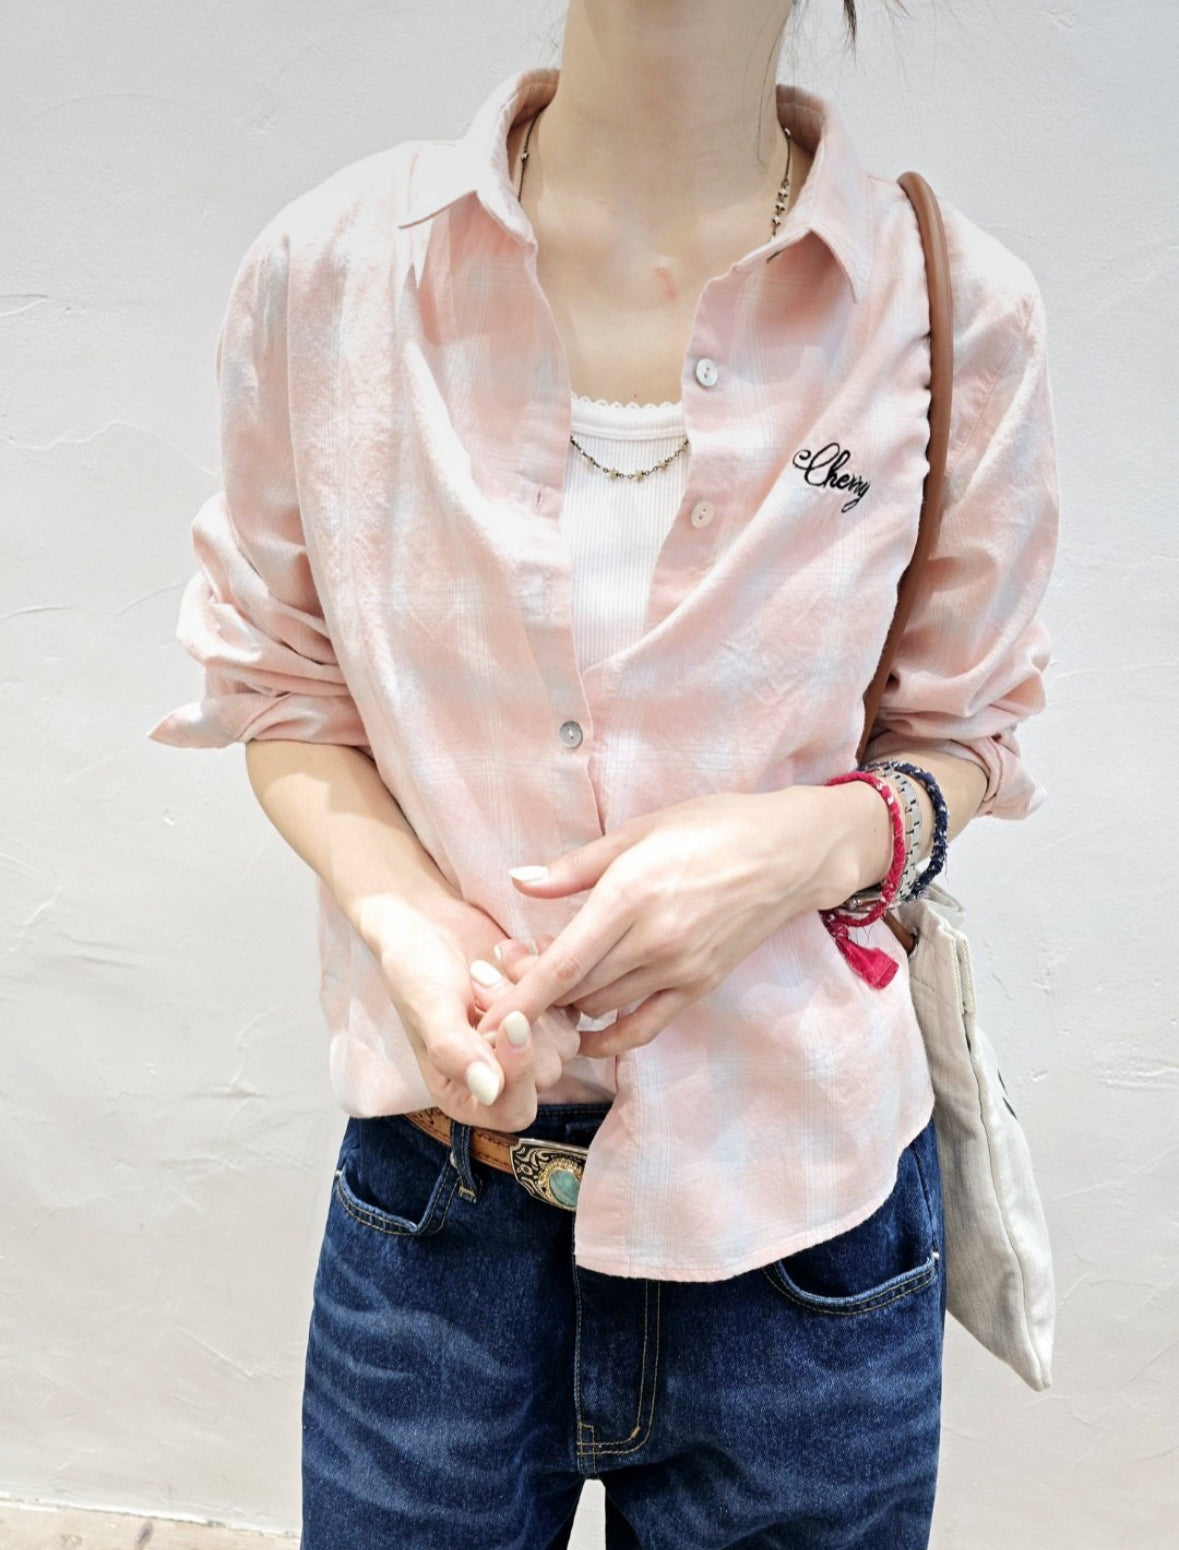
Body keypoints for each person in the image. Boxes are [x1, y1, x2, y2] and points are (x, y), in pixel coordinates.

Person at [147, 1, 1061, 1543]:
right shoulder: (334, 274)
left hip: (808, 1237)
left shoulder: (952, 313)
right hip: (437, 1213)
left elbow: (964, 738)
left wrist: (798, 847)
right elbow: (281, 687)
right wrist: (407, 919)